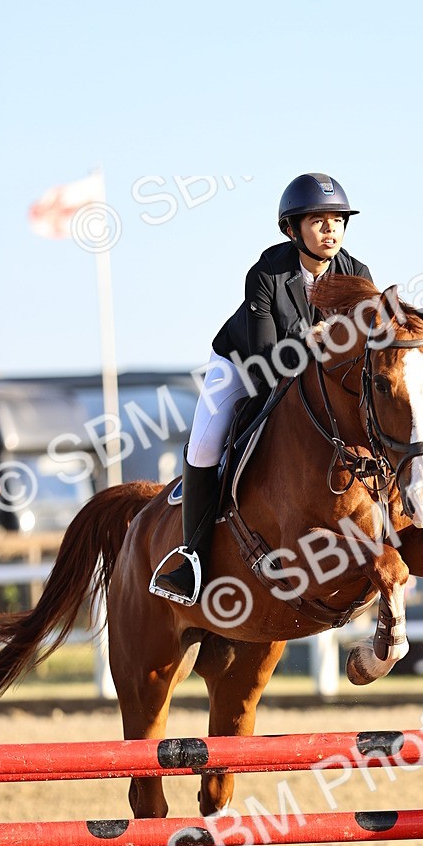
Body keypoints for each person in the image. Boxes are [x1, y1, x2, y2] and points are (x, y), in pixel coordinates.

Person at [151, 173, 373, 605]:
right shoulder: (267, 273)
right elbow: (265, 360)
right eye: (318, 220)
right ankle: (191, 559)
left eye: (337, 220)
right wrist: (307, 343)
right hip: (242, 364)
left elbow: (366, 346)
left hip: (318, 379)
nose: (331, 229)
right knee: (203, 448)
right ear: (292, 230)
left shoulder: (357, 274)